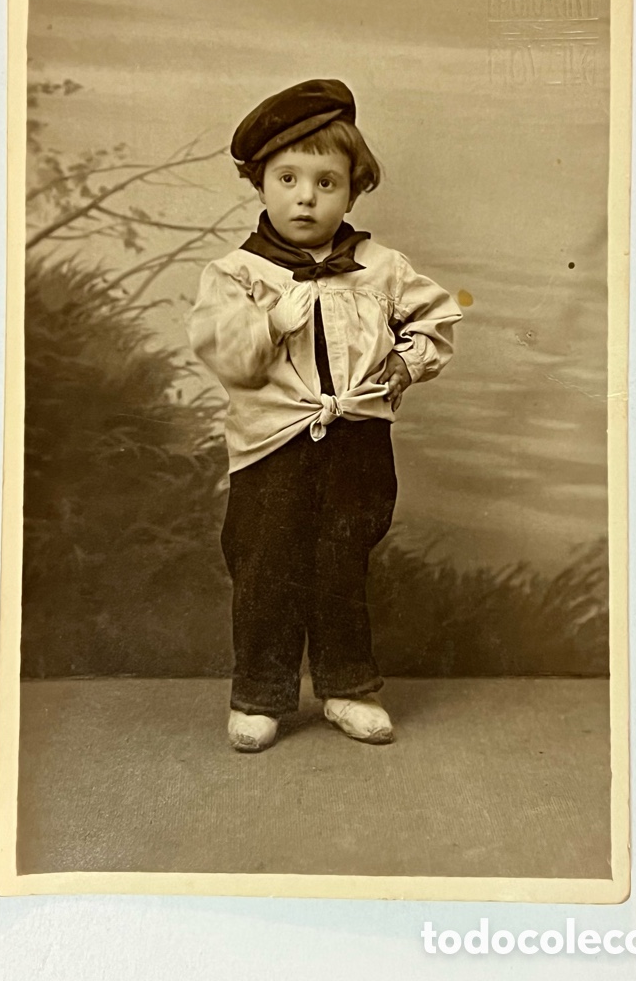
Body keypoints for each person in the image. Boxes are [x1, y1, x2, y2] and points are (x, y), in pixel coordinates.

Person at [187, 79, 462, 752]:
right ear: (260, 185)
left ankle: (347, 688)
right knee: (265, 564)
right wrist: (272, 318)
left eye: (327, 181)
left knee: (343, 562)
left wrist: (406, 363)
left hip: (358, 442)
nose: (305, 197)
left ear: (354, 189)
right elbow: (229, 357)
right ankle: (261, 694)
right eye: (288, 178)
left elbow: (437, 317)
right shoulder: (235, 274)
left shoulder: (379, 266)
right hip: (271, 448)